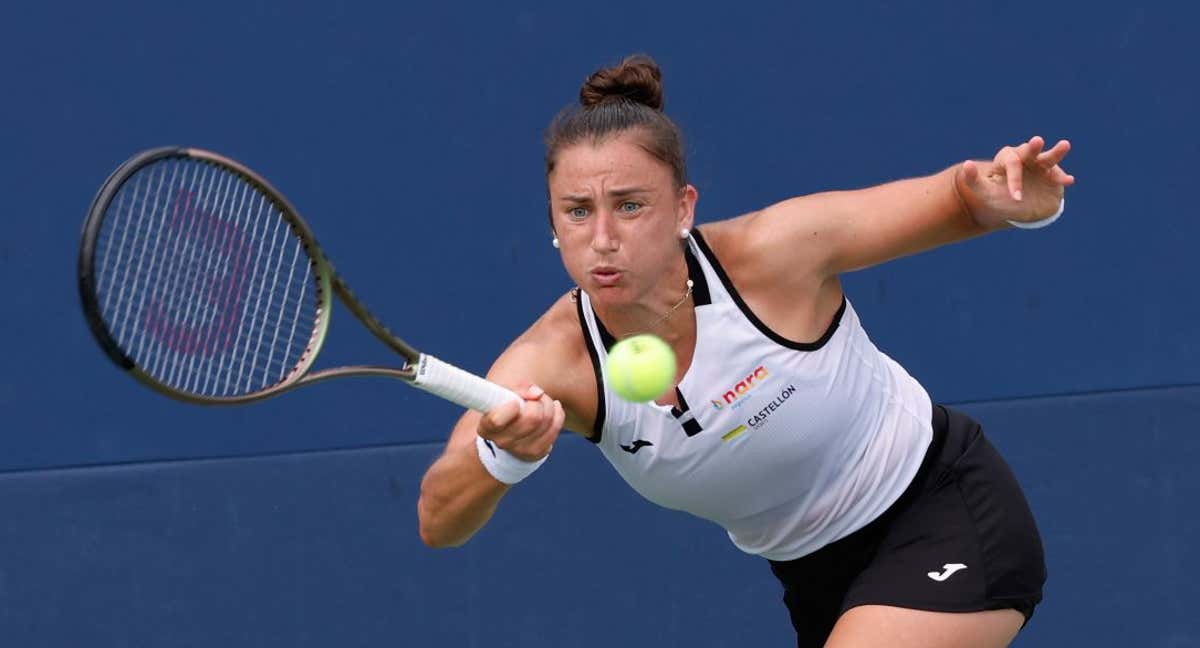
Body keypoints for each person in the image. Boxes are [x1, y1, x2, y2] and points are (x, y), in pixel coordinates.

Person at [417, 54, 1073, 648]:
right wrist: (500, 457)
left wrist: (1012, 198)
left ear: (683, 208)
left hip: (943, 506)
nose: (604, 237)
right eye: (578, 211)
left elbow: (960, 199)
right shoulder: (555, 361)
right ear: (554, 227)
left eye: (630, 205)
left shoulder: (775, 255)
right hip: (816, 581)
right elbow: (438, 520)